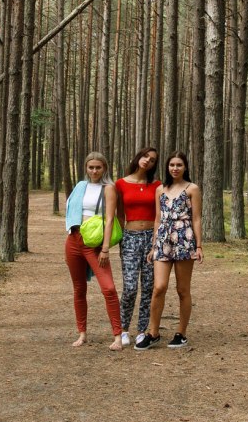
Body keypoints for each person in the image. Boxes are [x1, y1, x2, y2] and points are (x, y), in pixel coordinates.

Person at [134, 152, 203, 350]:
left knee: (182, 289)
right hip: (163, 240)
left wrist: (199, 245)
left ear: (185, 167)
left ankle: (181, 333)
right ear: (167, 167)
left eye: (179, 165)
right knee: (159, 287)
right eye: (172, 164)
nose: (175, 168)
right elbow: (157, 219)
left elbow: (196, 218)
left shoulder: (192, 189)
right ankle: (153, 332)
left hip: (184, 239)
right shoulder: (160, 189)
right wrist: (154, 245)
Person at [64, 152, 123, 351]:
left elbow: (109, 220)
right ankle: (82, 333)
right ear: (86, 168)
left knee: (108, 288)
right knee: (79, 288)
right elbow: (72, 210)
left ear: (104, 168)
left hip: (95, 244)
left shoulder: (109, 189)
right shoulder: (80, 186)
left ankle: (117, 335)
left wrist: (105, 249)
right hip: (74, 239)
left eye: (98, 167)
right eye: (91, 167)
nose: (94, 171)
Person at [113, 147, 160, 347]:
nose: (147, 161)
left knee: (148, 286)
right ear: (138, 157)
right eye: (145, 157)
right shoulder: (121, 184)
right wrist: (120, 239)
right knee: (130, 287)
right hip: (130, 237)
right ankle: (124, 329)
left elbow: (159, 216)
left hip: (151, 237)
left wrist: (156, 243)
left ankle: (142, 330)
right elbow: (119, 214)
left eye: (152, 160)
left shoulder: (157, 185)